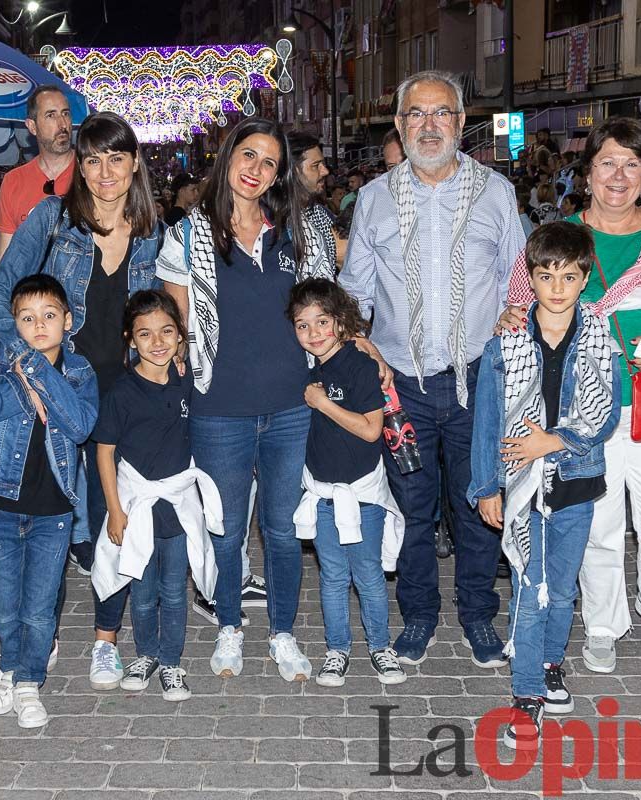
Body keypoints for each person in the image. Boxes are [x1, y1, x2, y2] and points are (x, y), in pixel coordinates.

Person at [500, 117, 641, 674]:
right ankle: (602, 623)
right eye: (607, 163)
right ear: (587, 172)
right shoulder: (561, 236)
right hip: (580, 409)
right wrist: (511, 318)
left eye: (631, 164)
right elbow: (520, 306)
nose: (618, 176)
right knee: (597, 523)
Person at [340, 70, 526, 667]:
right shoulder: (372, 199)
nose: (428, 125)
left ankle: (478, 615)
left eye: (441, 113)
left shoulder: (497, 192)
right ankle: (417, 616)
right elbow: (356, 294)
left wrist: (516, 317)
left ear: (462, 122)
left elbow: (516, 279)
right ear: (397, 124)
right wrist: (358, 345)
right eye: (415, 114)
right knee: (414, 509)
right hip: (402, 389)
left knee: (478, 505)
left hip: (479, 381)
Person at [0, 111, 163, 692]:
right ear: (78, 166)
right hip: (63, 393)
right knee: (56, 515)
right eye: (91, 159)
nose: (104, 172)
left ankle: (107, 639)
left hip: (130, 393)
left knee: (120, 515)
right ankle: (42, 634)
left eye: (115, 158)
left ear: (134, 163)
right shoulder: (53, 220)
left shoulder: (156, 231)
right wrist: (27, 363)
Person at [158, 118, 315, 680]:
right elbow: (174, 321)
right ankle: (228, 625)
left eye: (270, 162)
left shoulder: (295, 234)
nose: (257, 170)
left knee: (281, 529)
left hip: (291, 407)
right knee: (225, 528)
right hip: (217, 406)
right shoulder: (190, 233)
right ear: (227, 158)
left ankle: (284, 632)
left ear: (279, 174)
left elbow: (321, 312)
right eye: (249, 155)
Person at [470, 222, 620, 749]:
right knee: (529, 593)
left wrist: (551, 442)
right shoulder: (506, 340)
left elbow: (605, 415)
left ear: (585, 281)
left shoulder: (601, 334)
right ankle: (526, 694)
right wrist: (486, 486)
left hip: (577, 480)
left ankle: (553, 662)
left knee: (561, 591)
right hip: (520, 484)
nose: (557, 287)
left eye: (569, 276)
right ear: (530, 278)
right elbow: (488, 420)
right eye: (546, 274)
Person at [0, 274, 98, 728]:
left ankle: (29, 681)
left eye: (49, 316)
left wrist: (40, 374)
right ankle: (7, 669)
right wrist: (19, 383)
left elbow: (81, 425)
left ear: (68, 320)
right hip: (1, 500)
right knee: (6, 601)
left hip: (54, 507)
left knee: (40, 604)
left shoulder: (80, 372)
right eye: (27, 318)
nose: (39, 326)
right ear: (14, 325)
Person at [287, 279, 406, 687]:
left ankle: (380, 647)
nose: (314, 333)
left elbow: (372, 430)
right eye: (303, 325)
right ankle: (337, 649)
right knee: (333, 576)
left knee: (368, 574)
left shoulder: (357, 364)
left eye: (322, 322)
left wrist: (324, 404)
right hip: (321, 493)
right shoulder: (309, 364)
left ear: (340, 322)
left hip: (362, 495)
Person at [92, 290, 204, 702]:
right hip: (137, 507)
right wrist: (115, 511)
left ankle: (172, 662)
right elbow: (104, 451)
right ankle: (146, 654)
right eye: (145, 334)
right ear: (130, 338)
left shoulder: (188, 381)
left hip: (175, 508)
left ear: (180, 337)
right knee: (140, 590)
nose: (156, 342)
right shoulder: (122, 392)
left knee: (174, 589)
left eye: (166, 332)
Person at [0, 86, 76, 262]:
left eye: (65, 114)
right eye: (51, 115)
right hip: (31, 286)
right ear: (32, 126)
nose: (62, 124)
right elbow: (6, 258)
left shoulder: (91, 173)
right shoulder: (13, 181)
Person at [290, 133, 343, 278]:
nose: (325, 171)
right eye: (315, 166)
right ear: (294, 171)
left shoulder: (321, 214)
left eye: (323, 164)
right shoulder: (272, 220)